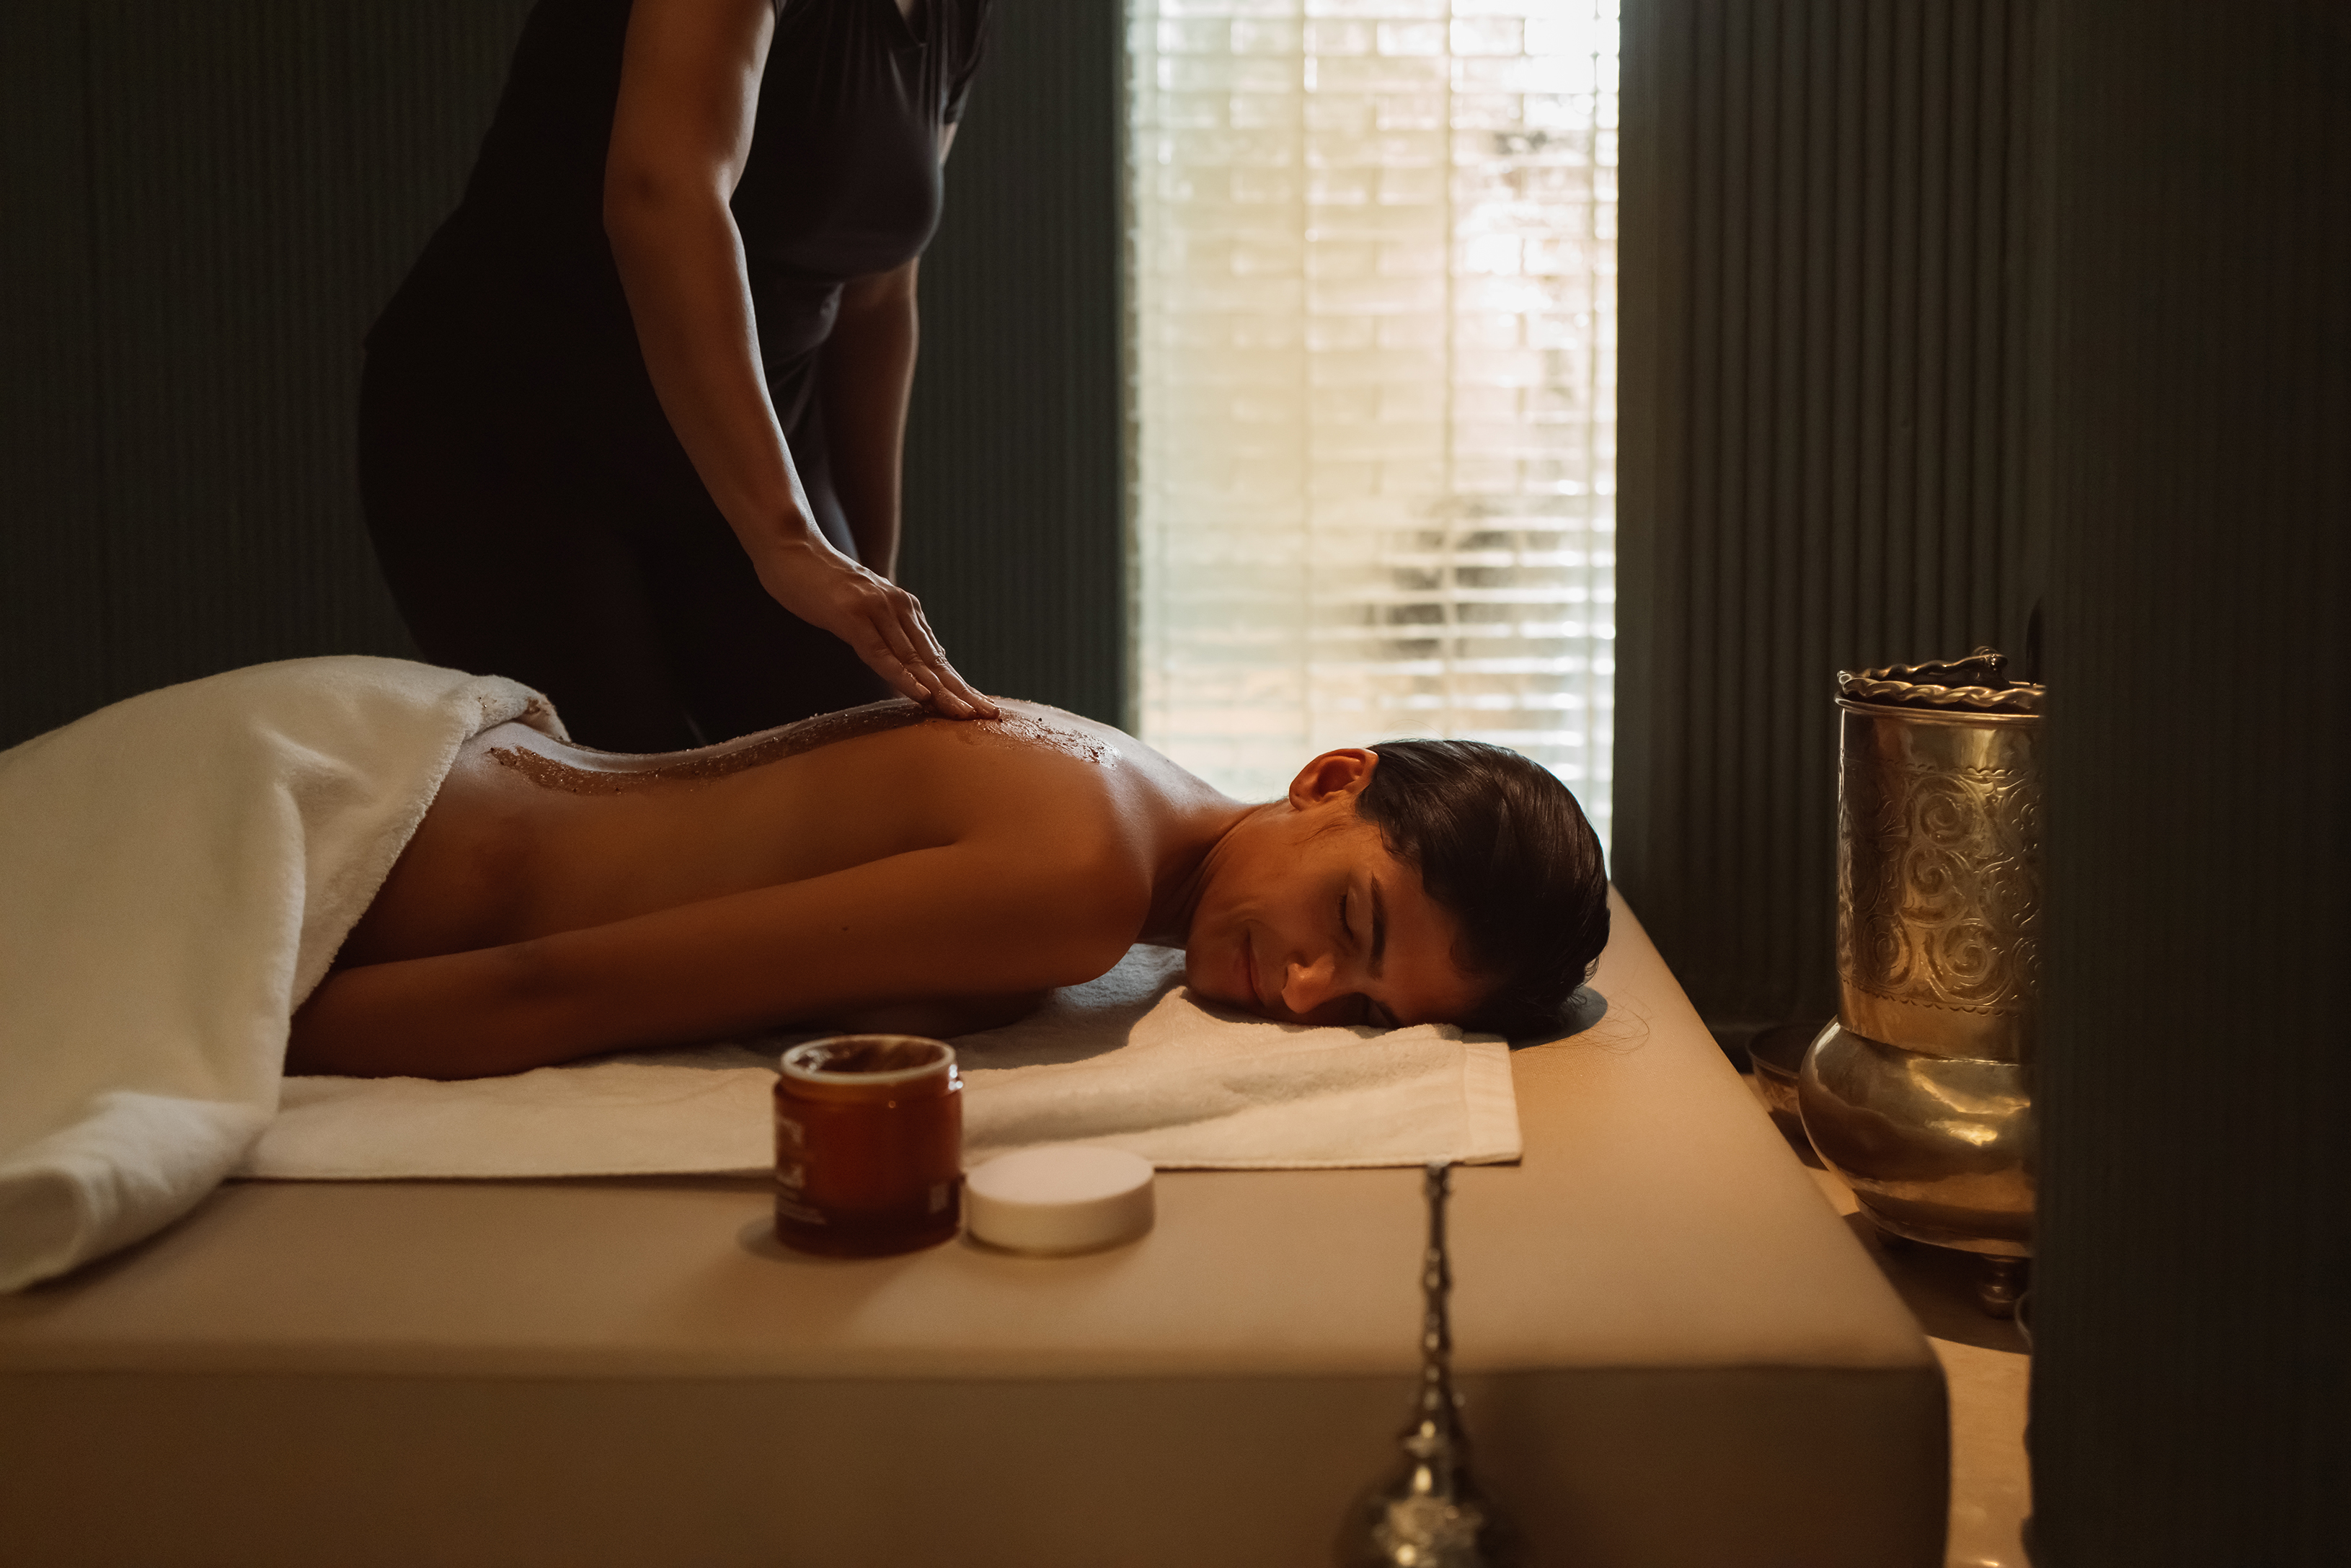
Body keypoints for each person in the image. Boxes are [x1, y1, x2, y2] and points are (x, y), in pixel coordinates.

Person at [288, 702, 1611, 1078]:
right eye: (1355, 925)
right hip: (353, 840)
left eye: (1372, 1011)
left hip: (448, 756)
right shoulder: (1083, 882)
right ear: (1327, 779)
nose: (1314, 992)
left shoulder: (1125, 787)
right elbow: (555, 989)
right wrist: (242, 1032)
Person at [359, 0, 997, 752]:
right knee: (633, 814)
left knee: (865, 768)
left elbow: (880, 290)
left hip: (756, 454)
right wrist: (788, 539)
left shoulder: (958, 15)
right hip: (521, 436)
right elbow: (664, 196)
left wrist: (862, 569)